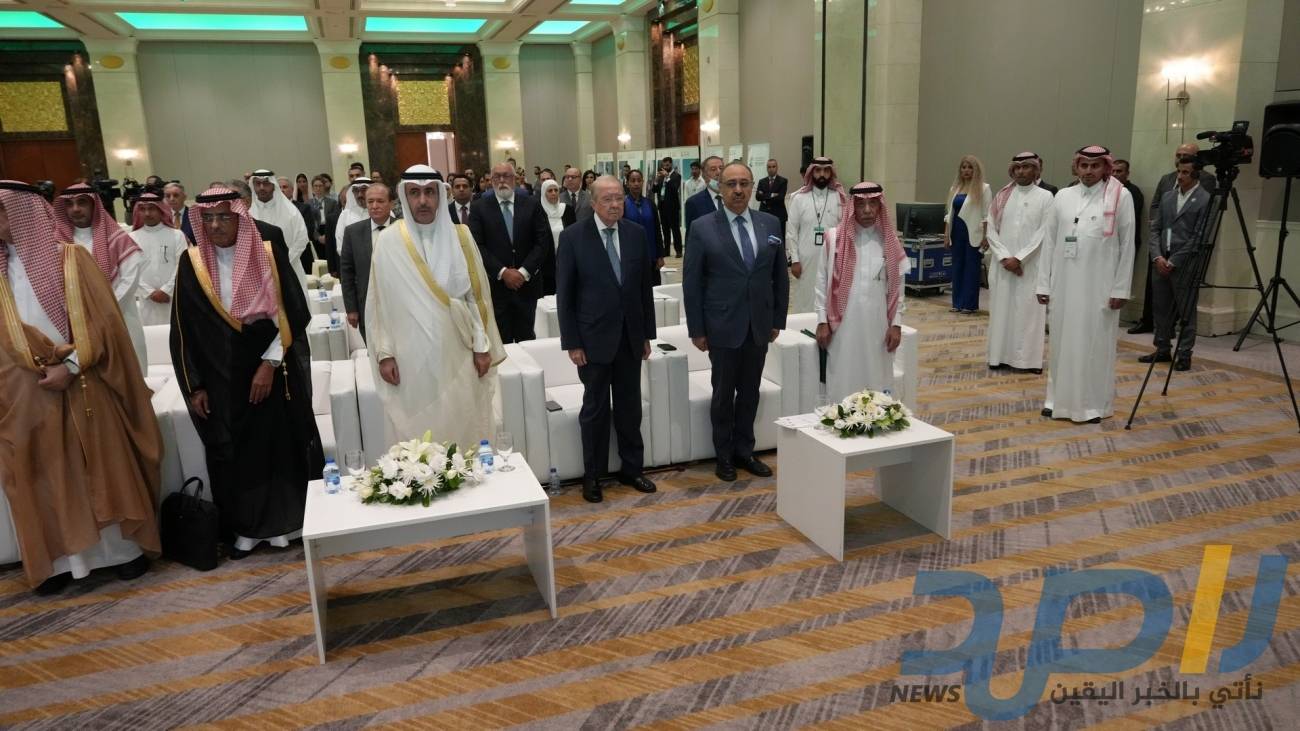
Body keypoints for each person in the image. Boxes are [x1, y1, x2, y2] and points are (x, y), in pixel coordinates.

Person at [0, 180, 160, 594]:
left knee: (100, 467)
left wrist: (69, 367)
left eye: (1, 212)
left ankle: (119, 554)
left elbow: (104, 324)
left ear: (24, 215)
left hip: (84, 381)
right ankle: (59, 564)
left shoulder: (72, 260)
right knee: (44, 475)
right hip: (25, 393)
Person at [171, 186, 322, 559]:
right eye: (208, 218)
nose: (215, 225)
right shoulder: (191, 262)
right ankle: (246, 532)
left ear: (240, 217)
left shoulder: (267, 249)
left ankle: (287, 526)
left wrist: (269, 364)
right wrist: (194, 386)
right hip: (220, 379)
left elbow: (293, 312)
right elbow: (183, 329)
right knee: (234, 456)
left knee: (278, 447)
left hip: (270, 368)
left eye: (224, 216)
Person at [366, 165, 505, 450]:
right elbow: (378, 304)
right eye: (414, 193)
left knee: (463, 421)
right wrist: (384, 353)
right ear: (404, 197)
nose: (423, 201)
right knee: (418, 432)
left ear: (441, 195)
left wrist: (482, 347)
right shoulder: (388, 241)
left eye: (429, 192)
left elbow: (476, 298)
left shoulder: (461, 237)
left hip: (458, 350)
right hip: (410, 357)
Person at [682, 162, 789, 482]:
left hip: (759, 324)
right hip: (722, 325)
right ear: (720, 187)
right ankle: (724, 455)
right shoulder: (702, 227)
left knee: (751, 392)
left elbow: (779, 276)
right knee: (723, 394)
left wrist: (777, 319)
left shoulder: (770, 223)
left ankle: (745, 451)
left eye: (744, 183)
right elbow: (692, 282)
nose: (738, 190)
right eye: (731, 184)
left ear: (753, 186)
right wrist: (697, 329)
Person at [555, 175, 657, 502]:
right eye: (608, 199)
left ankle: (632, 469)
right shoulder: (573, 237)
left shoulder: (635, 234)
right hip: (592, 340)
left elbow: (643, 289)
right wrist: (572, 342)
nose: (615, 205)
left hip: (630, 338)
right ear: (594, 202)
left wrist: (646, 335)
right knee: (595, 411)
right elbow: (565, 296)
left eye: (619, 198)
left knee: (630, 408)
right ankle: (593, 475)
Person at [1035, 145, 1136, 424]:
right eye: (1084, 165)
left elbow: (1128, 245)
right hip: (1064, 285)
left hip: (1099, 287)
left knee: (1094, 346)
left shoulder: (1120, 196)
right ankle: (1055, 401)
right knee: (1060, 343)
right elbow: (1049, 242)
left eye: (1095, 166)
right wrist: (1043, 284)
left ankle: (1092, 405)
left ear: (1105, 167)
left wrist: (1120, 288)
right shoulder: (1063, 196)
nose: (1089, 171)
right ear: (1076, 167)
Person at [813, 182, 910, 402]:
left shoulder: (890, 241)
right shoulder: (834, 239)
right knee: (843, 375)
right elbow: (821, 281)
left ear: (880, 206)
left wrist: (896, 324)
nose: (867, 210)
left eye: (873, 203)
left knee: (877, 378)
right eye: (861, 204)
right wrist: (821, 320)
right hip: (842, 327)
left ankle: (876, 416)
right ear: (852, 207)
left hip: (878, 325)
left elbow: (898, 287)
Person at [53, 183, 148, 371]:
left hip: (120, 319)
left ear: (94, 205)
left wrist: (101, 312)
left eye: (82, 202)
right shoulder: (56, 244)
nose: (75, 209)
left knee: (129, 375)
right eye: (69, 204)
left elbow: (129, 282)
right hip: (78, 325)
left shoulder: (118, 239)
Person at [1129, 143, 1216, 334]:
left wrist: (1174, 260)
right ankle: (1159, 339)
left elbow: (1201, 226)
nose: (1180, 174)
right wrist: (1157, 246)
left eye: (1185, 156)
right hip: (1162, 246)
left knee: (1185, 305)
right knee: (1159, 300)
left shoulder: (1206, 184)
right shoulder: (1167, 183)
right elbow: (1156, 206)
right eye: (1178, 155)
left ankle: (1183, 346)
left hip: (1185, 252)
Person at [1141, 155, 1213, 371]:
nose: (1180, 176)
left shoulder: (1206, 199)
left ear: (1196, 174)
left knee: (1186, 312)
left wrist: (1174, 261)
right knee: (1160, 308)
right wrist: (1157, 256)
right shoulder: (1168, 197)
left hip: (1185, 263)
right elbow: (1155, 229)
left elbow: (1200, 236)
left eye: (1185, 173)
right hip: (1161, 260)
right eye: (1179, 171)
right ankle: (1162, 348)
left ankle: (1184, 354)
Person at [985, 152, 1054, 372]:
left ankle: (1028, 361)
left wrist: (1020, 258)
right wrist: (1005, 257)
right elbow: (991, 229)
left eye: (1026, 167)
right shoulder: (1002, 196)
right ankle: (998, 357)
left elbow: (1044, 232)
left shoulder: (1046, 197)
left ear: (1036, 170)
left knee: (1029, 313)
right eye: (1017, 168)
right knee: (1001, 311)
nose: (1021, 171)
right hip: (1003, 265)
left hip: (1030, 267)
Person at [468, 161, 551, 342]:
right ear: (491, 180)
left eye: (506, 176)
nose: (502, 180)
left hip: (527, 287)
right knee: (501, 342)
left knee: (527, 340)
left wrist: (523, 272)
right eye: (497, 177)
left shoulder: (532, 204)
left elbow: (542, 242)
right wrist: (503, 272)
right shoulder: (479, 207)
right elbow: (477, 245)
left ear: (515, 179)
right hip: (496, 288)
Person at [785, 157, 846, 314]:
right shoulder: (798, 198)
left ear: (831, 173)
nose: (822, 174)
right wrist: (795, 260)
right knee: (805, 297)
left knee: (828, 298)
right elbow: (791, 232)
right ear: (811, 172)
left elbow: (844, 230)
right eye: (818, 170)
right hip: (805, 259)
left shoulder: (839, 198)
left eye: (826, 171)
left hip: (832, 258)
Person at [340, 183, 395, 342]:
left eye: (380, 201)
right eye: (370, 201)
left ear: (391, 203)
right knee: (374, 351)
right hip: (367, 306)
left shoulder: (404, 228)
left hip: (399, 306)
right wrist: (351, 308)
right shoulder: (353, 232)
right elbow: (347, 274)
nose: (374, 206)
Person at [943, 155, 991, 314]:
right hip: (956, 232)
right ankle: (957, 303)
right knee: (957, 267)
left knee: (971, 268)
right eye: (964, 167)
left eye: (970, 167)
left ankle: (969, 305)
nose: (966, 170)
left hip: (973, 233)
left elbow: (986, 215)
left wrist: (985, 236)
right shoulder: (954, 188)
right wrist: (946, 234)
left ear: (976, 170)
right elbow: (949, 214)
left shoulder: (984, 188)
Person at [249, 170, 316, 283]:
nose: (261, 187)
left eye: (266, 183)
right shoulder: (248, 213)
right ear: (253, 186)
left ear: (273, 186)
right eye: (258, 183)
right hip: (258, 272)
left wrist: (283, 262)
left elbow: (302, 239)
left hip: (290, 268)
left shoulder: (290, 211)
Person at [129, 191, 186, 326]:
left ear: (161, 210)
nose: (147, 213)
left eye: (151, 208)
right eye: (143, 209)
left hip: (173, 298)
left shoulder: (177, 235)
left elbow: (182, 266)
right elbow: (130, 270)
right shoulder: (131, 238)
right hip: (145, 301)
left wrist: (167, 291)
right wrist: (149, 293)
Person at [622, 170, 663, 284]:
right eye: (633, 181)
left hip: (651, 255)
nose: (636, 183)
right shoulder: (622, 204)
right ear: (627, 183)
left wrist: (660, 255)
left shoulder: (650, 204)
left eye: (639, 180)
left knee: (653, 288)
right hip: (630, 257)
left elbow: (657, 230)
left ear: (643, 182)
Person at [539, 179, 575, 296]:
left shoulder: (567, 210)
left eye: (556, 190)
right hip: (546, 264)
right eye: (550, 191)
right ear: (543, 193)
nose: (554, 193)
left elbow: (574, 235)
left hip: (566, 261)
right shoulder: (538, 212)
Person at [684, 155, 725, 236]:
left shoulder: (734, 198)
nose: (719, 172)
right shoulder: (693, 203)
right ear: (704, 175)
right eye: (713, 169)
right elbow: (691, 235)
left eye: (721, 168)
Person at [332, 175, 372, 258]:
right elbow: (340, 242)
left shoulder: (383, 212)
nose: (359, 195)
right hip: (353, 261)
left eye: (364, 190)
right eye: (356, 190)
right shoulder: (345, 215)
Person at [652, 157, 682, 257]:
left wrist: (668, 177)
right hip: (662, 206)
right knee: (665, 230)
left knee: (675, 229)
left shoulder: (676, 176)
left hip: (673, 207)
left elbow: (674, 188)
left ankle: (678, 251)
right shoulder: (661, 177)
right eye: (664, 165)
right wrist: (656, 180)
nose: (665, 167)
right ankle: (666, 250)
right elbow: (654, 190)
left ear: (671, 164)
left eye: (667, 165)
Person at [756, 159, 789, 231]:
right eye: (769, 167)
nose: (771, 169)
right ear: (766, 168)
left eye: (773, 167)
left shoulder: (783, 181)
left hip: (778, 215)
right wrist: (772, 195)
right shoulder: (761, 181)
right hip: (764, 214)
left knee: (779, 237)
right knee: (763, 236)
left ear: (777, 167)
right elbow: (758, 197)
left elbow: (780, 197)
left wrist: (764, 198)